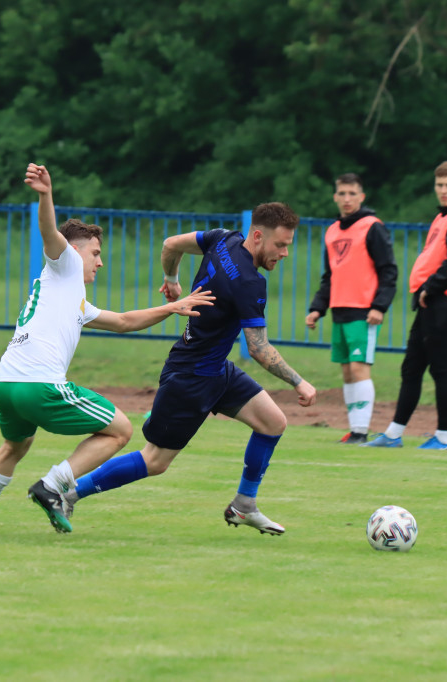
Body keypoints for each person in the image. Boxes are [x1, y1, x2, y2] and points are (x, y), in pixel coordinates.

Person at [27, 203, 318, 536]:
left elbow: (170, 245)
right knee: (155, 460)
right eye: (280, 245)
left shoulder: (224, 239)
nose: (285, 253)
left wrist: (171, 279)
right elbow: (259, 349)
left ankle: (244, 505)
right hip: (191, 378)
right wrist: (300, 382)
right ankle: (68, 493)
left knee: (272, 423)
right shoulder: (250, 283)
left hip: (215, 369)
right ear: (257, 236)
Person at [0, 163, 214, 535]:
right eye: (95, 252)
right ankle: (52, 484)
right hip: (38, 383)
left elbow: (125, 321)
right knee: (120, 430)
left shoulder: (71, 298)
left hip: (6, 385)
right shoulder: (63, 266)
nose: (100, 260)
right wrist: (46, 194)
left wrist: (172, 307)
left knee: (15, 446)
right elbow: (49, 231)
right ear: (74, 251)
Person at [364, 160, 447, 450]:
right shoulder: (445, 216)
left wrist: (431, 286)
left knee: (441, 370)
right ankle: (393, 434)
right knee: (411, 367)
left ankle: (443, 438)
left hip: (443, 301)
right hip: (431, 302)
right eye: (439, 185)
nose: (443, 190)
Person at [305, 173, 397, 444]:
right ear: (335, 196)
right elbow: (330, 276)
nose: (346, 199)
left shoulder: (372, 226)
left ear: (361, 196)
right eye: (342, 193)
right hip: (339, 310)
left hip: (363, 311)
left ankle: (361, 431)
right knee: (346, 371)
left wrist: (380, 306)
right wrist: (317, 308)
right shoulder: (333, 230)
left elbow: (388, 270)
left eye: (352, 194)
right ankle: (354, 429)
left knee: (359, 368)